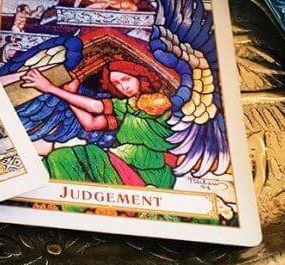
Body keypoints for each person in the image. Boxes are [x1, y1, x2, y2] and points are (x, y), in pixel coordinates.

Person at [20, 60, 176, 189]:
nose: (123, 87)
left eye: (126, 79)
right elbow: (91, 123)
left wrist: (49, 88)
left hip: (147, 169)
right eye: (116, 83)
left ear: (140, 78)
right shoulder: (124, 108)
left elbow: (95, 106)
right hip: (121, 161)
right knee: (58, 158)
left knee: (69, 157)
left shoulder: (157, 100)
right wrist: (71, 94)